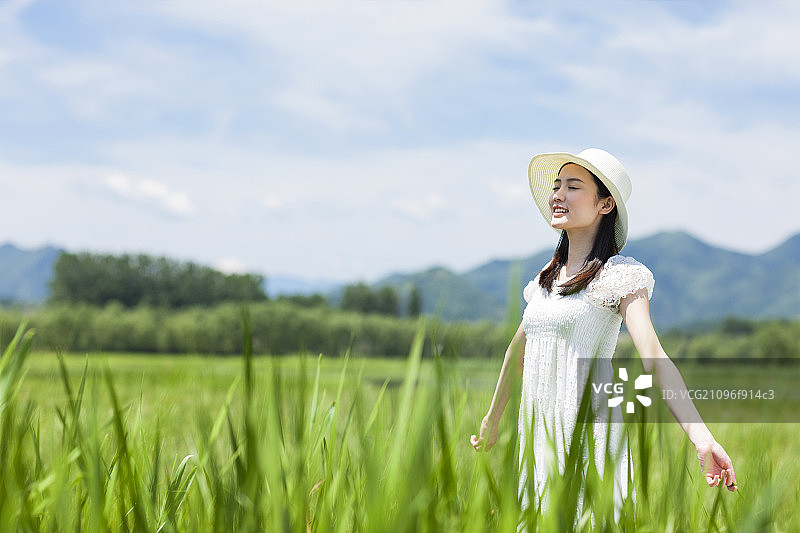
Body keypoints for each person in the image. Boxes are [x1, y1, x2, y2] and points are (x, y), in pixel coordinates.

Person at [469, 148, 737, 521]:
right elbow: (517, 354)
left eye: (573, 187)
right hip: (538, 439)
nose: (558, 195)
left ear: (605, 204)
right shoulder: (546, 279)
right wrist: (492, 420)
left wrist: (701, 435)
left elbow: (654, 358)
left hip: (589, 438)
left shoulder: (620, 276)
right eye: (556, 185)